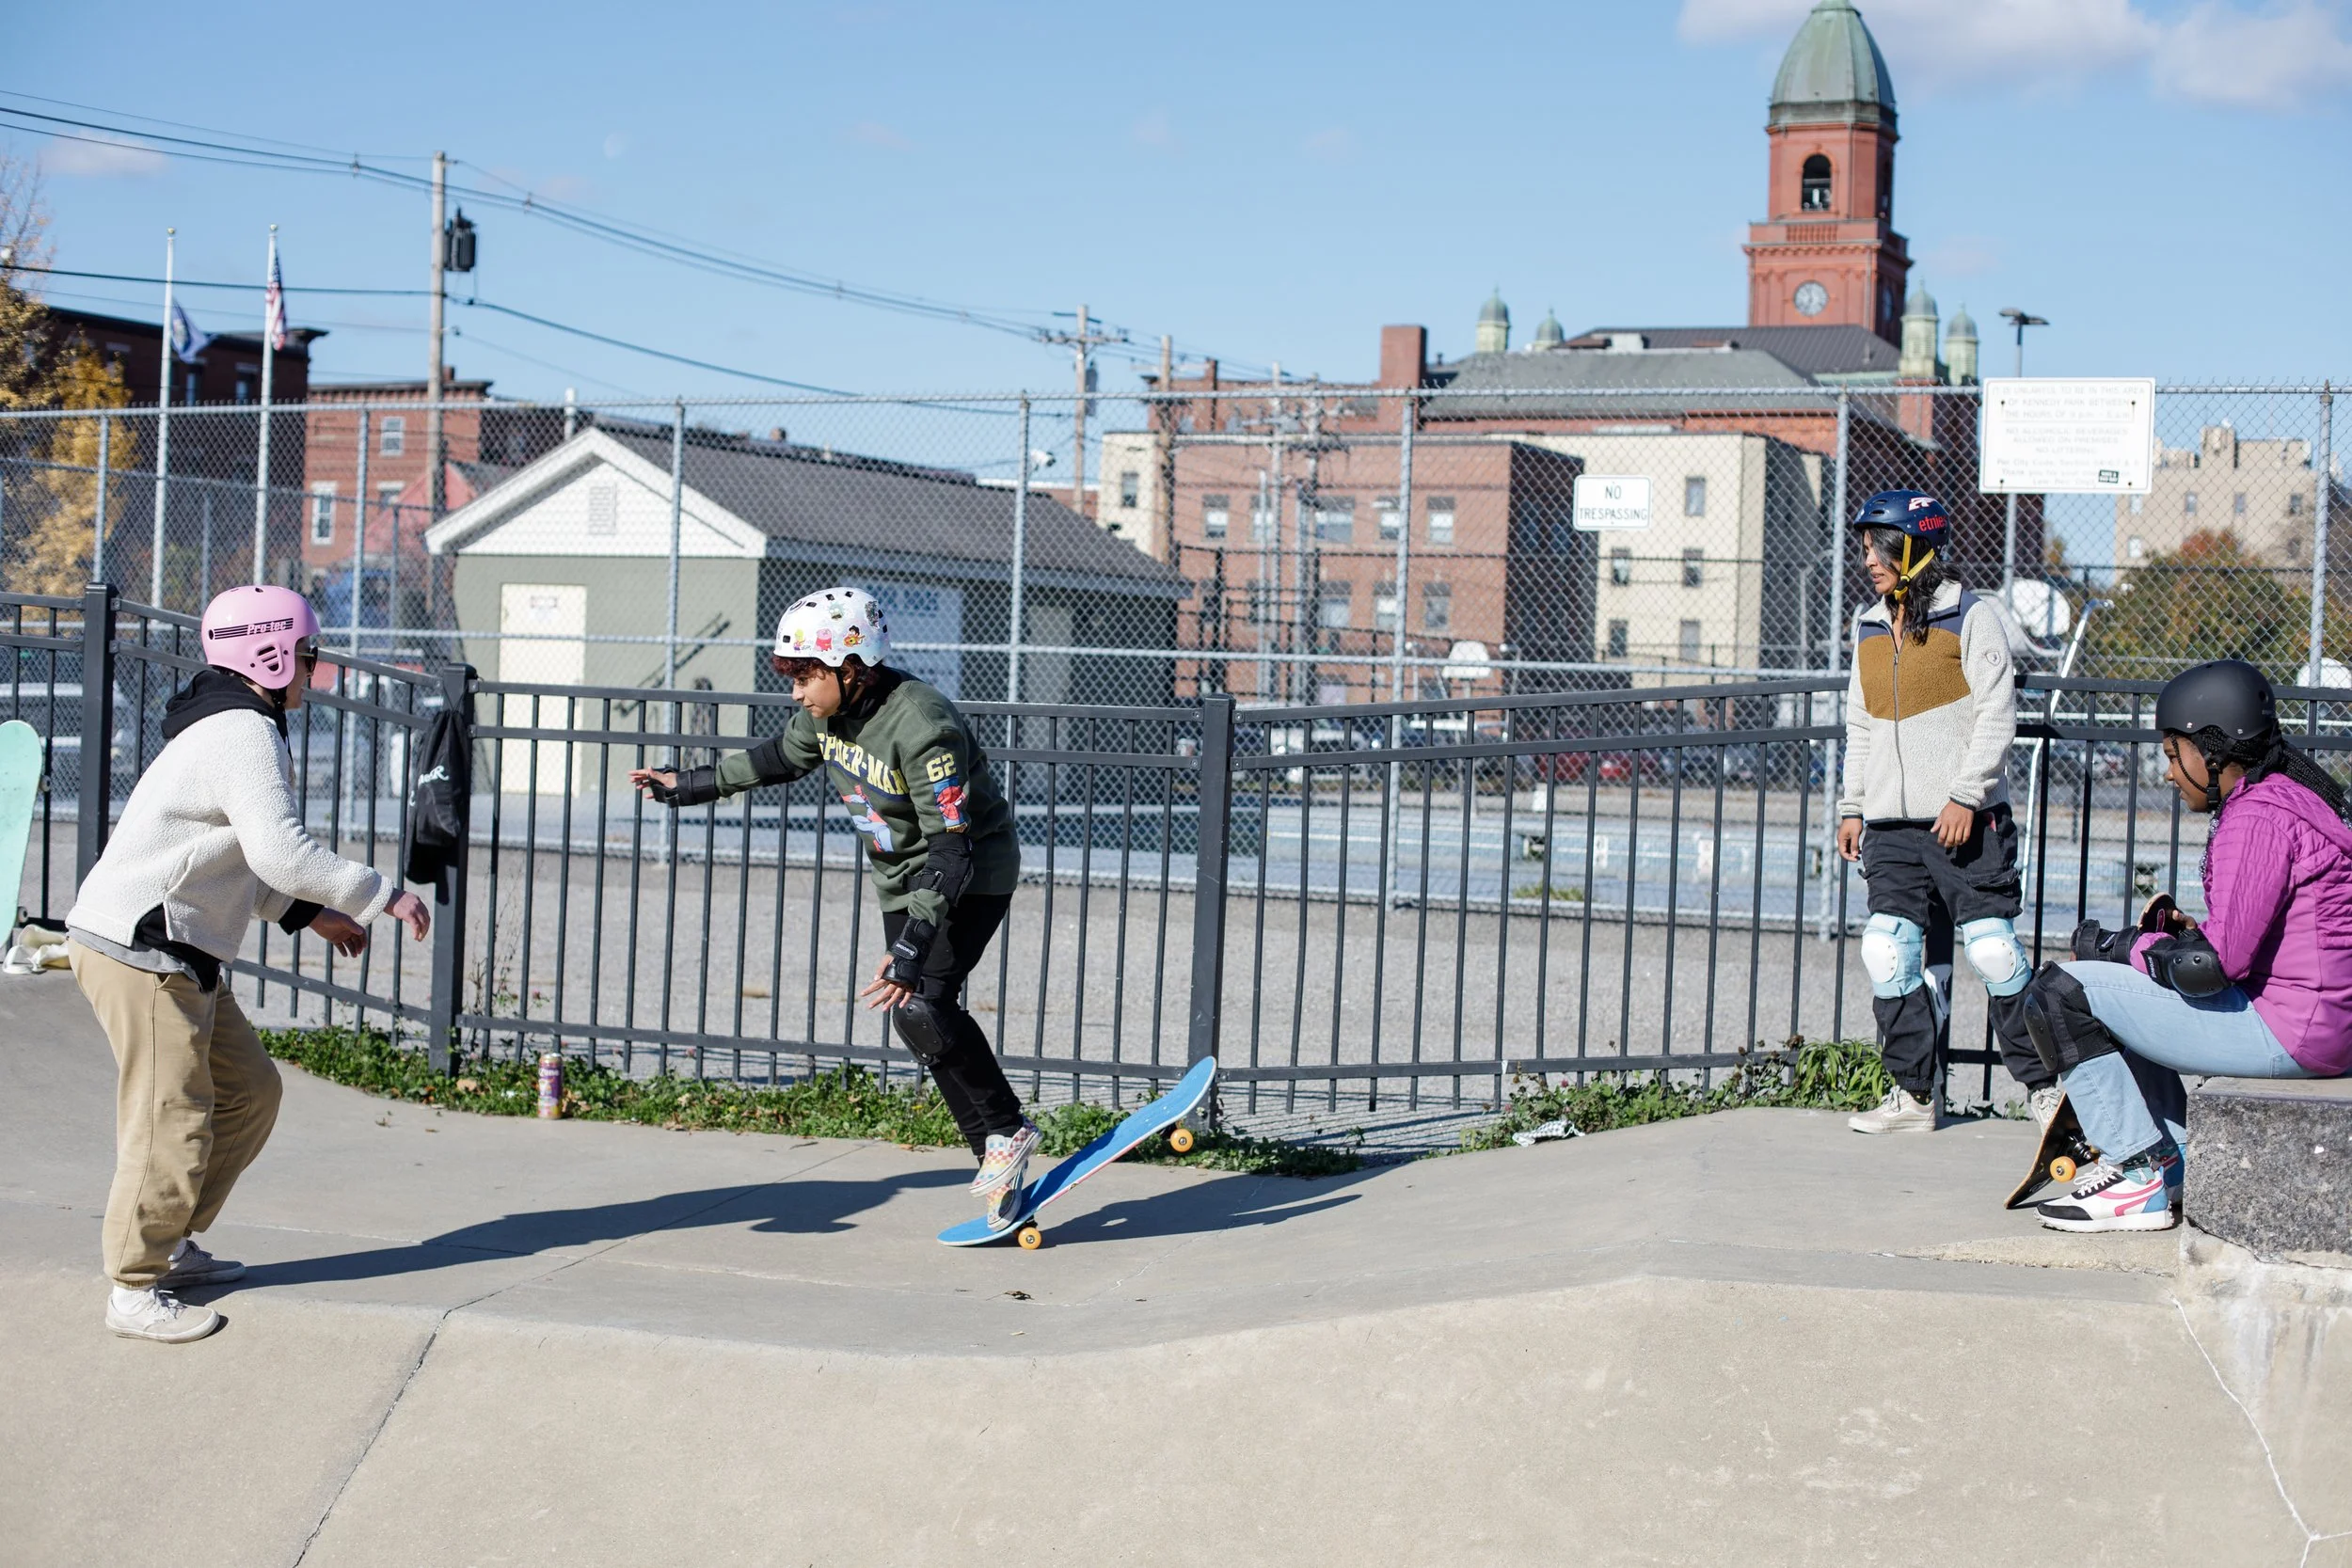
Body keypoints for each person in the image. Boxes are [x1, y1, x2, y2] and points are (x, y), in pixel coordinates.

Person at [67, 586, 432, 1342]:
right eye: (307, 656)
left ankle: (172, 1243)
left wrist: (310, 914)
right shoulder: (243, 731)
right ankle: (133, 1283)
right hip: (141, 948)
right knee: (173, 1116)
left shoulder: (234, 724)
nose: (312, 671)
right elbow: (281, 852)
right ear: (268, 653)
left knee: (252, 1092)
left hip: (176, 948)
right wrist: (379, 895)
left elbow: (231, 861)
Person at [631, 587, 1040, 1228]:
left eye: (806, 676)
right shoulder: (825, 719)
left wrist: (909, 948)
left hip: (970, 873)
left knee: (926, 1000)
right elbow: (773, 760)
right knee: (916, 1017)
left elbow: (953, 848)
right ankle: (995, 1152)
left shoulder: (923, 724)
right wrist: (687, 784)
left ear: (852, 667)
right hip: (903, 879)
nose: (797, 692)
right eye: (792, 678)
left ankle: (1008, 1129)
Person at [2023, 659, 2352, 1233]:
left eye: (2176, 755)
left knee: (2057, 994)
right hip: (2323, 1023)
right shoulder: (2294, 798)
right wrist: (2162, 943)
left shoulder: (2258, 816)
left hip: (2293, 1029)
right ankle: (2170, 1166)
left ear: (2216, 749)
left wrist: (2129, 945)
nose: (2171, 773)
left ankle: (2138, 1174)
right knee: (2126, 987)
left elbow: (2211, 967)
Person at [1835, 489, 2058, 1133]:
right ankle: (1914, 1095)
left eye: (1880, 545)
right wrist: (1853, 805)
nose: (1868, 558)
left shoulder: (1971, 615)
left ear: (1916, 546)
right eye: (1865, 546)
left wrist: (1966, 794)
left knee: (1992, 952)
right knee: (1886, 952)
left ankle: (2046, 1091)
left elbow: (1997, 713)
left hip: (1967, 820)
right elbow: (1862, 722)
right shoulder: (1870, 624)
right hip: (1888, 825)